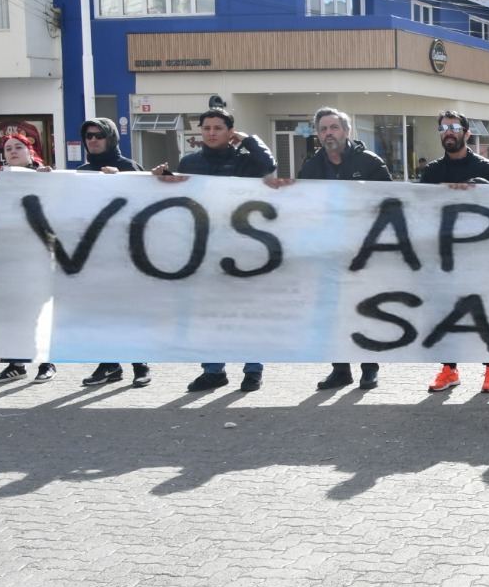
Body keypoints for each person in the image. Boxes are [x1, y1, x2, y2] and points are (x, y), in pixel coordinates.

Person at [153, 104, 279, 393]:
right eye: (207, 128)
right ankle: (213, 370)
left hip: (243, 245)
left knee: (247, 311)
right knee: (206, 311)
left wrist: (247, 139)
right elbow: (182, 199)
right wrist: (164, 178)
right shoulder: (189, 162)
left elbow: (268, 164)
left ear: (230, 132)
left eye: (218, 128)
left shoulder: (247, 162)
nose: (211, 133)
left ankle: (252, 369)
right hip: (205, 246)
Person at [299, 107, 391, 391]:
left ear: (346, 131)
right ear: (317, 134)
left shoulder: (370, 163)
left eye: (334, 128)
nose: (329, 133)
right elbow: (302, 206)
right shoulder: (311, 167)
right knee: (331, 312)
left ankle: (369, 368)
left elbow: (390, 203)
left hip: (364, 252)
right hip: (327, 253)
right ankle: (340, 369)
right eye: (323, 129)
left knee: (364, 310)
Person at [420, 111, 489, 394]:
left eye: (454, 127)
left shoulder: (488, 169)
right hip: (444, 256)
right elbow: (420, 211)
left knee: (484, 312)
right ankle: (449, 369)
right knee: (444, 311)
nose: (448, 131)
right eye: (443, 127)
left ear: (466, 134)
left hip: (480, 255)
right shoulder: (431, 173)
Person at [74, 119, 151, 388]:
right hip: (95, 255)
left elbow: (146, 208)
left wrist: (120, 183)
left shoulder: (129, 168)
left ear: (111, 138)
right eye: (88, 136)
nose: (92, 140)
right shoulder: (81, 172)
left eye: (98, 135)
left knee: (129, 310)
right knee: (101, 312)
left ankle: (140, 364)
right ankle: (108, 364)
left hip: (128, 254)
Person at [0, 135, 57, 385]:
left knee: (40, 310)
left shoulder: (44, 176)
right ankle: (16, 363)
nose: (13, 151)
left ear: (30, 152)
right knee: (12, 313)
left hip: (37, 256)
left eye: (18, 147)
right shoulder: (1, 180)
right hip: (9, 257)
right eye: (8, 149)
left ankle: (47, 362)